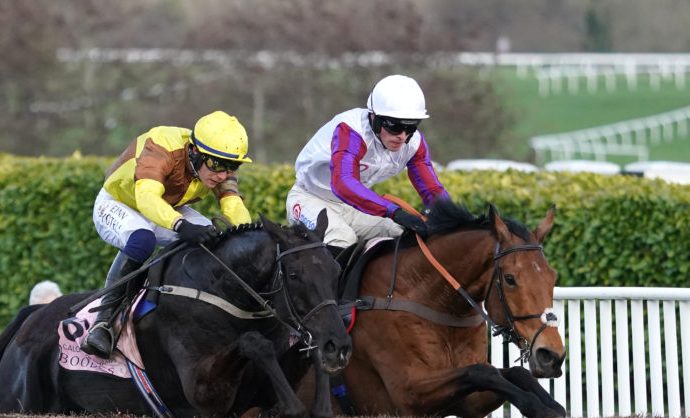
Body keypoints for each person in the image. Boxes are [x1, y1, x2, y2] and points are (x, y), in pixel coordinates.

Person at [81, 111, 254, 358]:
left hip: (166, 207)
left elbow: (233, 206)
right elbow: (146, 198)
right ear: (194, 151)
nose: (222, 175)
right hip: (120, 202)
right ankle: (103, 323)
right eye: (216, 165)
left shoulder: (219, 165)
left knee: (215, 242)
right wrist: (182, 226)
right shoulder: (162, 146)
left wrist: (247, 236)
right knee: (143, 240)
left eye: (232, 167)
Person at [286, 74, 449, 252]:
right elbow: (343, 184)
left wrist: (453, 218)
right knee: (342, 239)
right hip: (309, 200)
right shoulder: (351, 131)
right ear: (374, 118)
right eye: (394, 126)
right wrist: (395, 212)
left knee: (404, 233)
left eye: (410, 127)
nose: (402, 136)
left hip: (353, 207)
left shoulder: (414, 143)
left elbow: (432, 190)